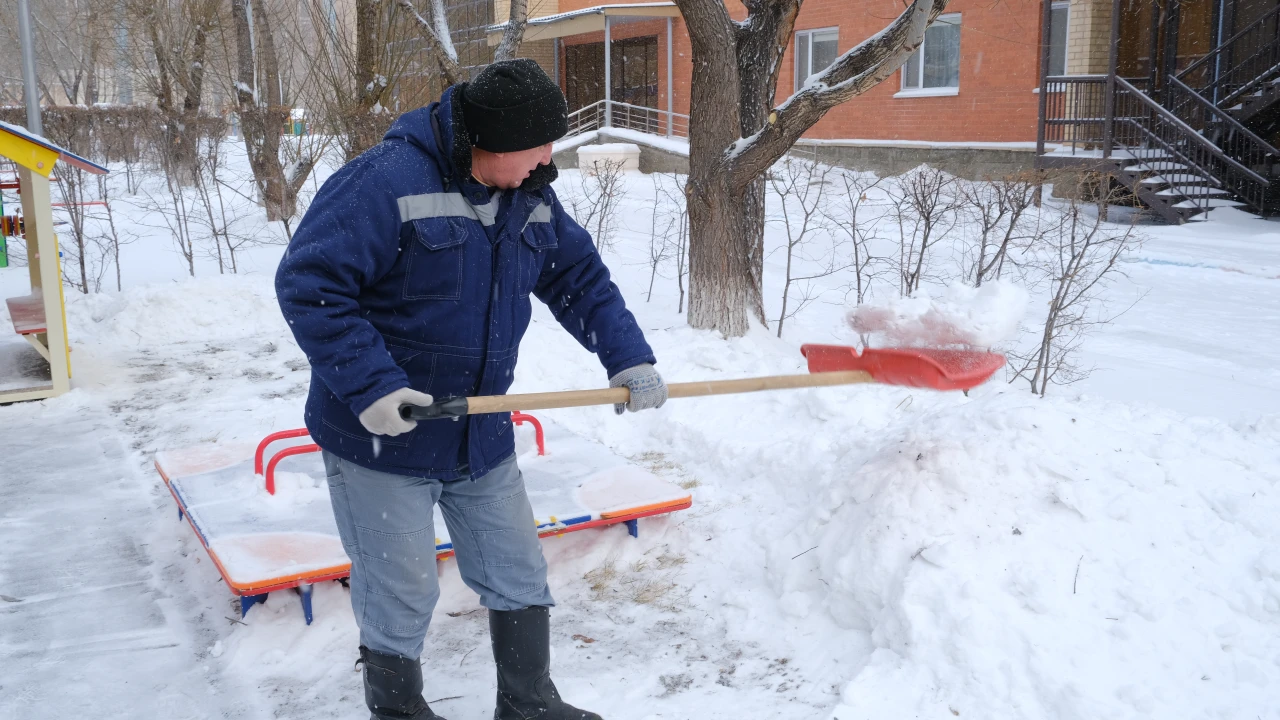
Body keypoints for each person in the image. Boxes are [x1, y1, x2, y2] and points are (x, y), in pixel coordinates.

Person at [275, 59, 667, 720]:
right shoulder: (385, 182)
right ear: (488, 144)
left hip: (479, 437)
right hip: (382, 442)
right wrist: (371, 386)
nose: (548, 161)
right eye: (537, 148)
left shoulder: (531, 194)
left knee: (516, 572)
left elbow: (578, 278)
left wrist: (627, 358)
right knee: (401, 590)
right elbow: (310, 285)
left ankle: (529, 704)